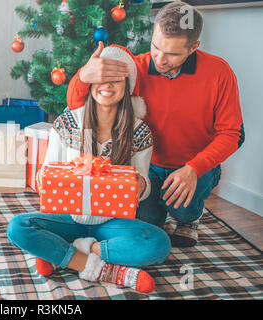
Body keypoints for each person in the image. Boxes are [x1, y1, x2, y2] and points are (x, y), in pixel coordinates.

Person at [66, 1, 245, 247]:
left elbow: (232, 133)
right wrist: (84, 75)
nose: (160, 59)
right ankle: (161, 209)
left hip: (193, 165)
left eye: (172, 54)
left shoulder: (219, 72)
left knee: (181, 208)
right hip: (146, 165)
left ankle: (189, 219)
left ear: (193, 47)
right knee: (144, 223)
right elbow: (76, 104)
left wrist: (194, 168)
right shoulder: (136, 67)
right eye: (156, 47)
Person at [7, 45, 171, 294]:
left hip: (112, 222)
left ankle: (69, 252)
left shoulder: (140, 132)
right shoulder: (66, 122)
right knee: (18, 227)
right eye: (101, 78)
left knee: (158, 243)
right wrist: (47, 180)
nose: (107, 85)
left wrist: (138, 185)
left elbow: (145, 186)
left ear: (127, 88)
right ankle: (106, 269)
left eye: (116, 80)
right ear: (91, 81)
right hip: (68, 217)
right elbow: (46, 176)